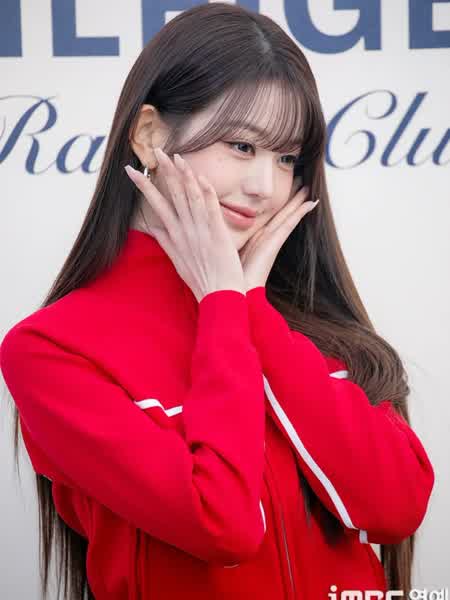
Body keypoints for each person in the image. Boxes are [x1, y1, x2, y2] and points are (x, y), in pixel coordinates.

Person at [0, 3, 434, 600]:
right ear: (149, 135)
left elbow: (396, 507)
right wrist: (225, 306)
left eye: (287, 158)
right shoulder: (52, 349)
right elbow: (222, 524)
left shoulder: (308, 323)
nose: (265, 186)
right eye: (242, 145)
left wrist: (248, 306)